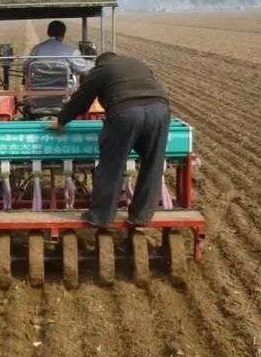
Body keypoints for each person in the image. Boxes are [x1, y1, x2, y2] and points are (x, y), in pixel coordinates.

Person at [48, 52, 170, 228]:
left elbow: (82, 99)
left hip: (127, 112)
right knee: (153, 163)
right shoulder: (138, 62)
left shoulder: (101, 69)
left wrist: (61, 121)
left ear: (99, 63)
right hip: (160, 110)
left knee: (113, 163)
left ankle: (101, 216)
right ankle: (141, 217)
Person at [22, 20, 92, 77]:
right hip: (65, 91)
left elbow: (25, 69)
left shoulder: (36, 49)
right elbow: (85, 68)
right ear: (63, 34)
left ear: (48, 33)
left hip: (38, 89)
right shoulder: (71, 51)